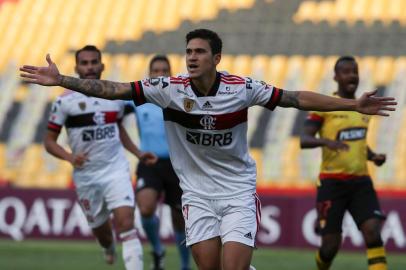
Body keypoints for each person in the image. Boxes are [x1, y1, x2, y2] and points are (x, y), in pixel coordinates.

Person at [21, 29, 396, 270]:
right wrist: (63, 81)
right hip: (196, 196)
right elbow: (114, 89)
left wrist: (352, 105)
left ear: (216, 58)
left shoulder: (243, 88)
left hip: (236, 192)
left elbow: (296, 98)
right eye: (188, 51)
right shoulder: (169, 88)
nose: (191, 56)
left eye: (200, 51)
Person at [43, 45, 157, 270]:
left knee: (126, 223)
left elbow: (118, 128)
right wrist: (69, 157)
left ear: (102, 65)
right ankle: (107, 247)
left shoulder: (115, 96)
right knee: (103, 234)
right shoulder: (64, 102)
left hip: (116, 170)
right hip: (87, 176)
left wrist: (137, 152)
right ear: (76, 67)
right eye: (84, 63)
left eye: (94, 62)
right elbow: (48, 141)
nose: (90, 67)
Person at [300, 56, 388, 270]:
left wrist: (372, 155)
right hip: (332, 184)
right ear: (336, 77)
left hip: (361, 182)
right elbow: (305, 139)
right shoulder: (325, 107)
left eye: (355, 71)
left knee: (373, 232)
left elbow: (355, 142)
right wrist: (327, 141)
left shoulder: (364, 109)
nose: (352, 75)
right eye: (346, 71)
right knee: (330, 246)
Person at [131, 55, 190, 270]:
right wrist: (135, 151)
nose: (160, 74)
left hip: (177, 165)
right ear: (149, 74)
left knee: (180, 220)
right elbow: (114, 115)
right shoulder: (138, 99)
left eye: (165, 70)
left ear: (171, 73)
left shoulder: (180, 97)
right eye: (156, 70)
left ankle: (185, 265)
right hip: (150, 163)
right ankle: (157, 249)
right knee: (145, 208)